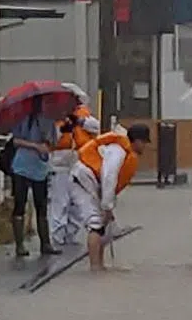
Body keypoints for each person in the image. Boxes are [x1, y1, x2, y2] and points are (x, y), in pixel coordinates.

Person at [70, 124, 151, 272]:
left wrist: (108, 206)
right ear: (137, 141)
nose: (145, 146)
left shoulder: (124, 150)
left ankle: (100, 264)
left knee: (106, 226)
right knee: (95, 223)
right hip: (82, 182)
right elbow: (109, 176)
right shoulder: (118, 150)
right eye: (144, 142)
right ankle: (95, 268)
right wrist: (107, 206)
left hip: (94, 183)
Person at [47, 90, 100, 250]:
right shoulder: (54, 116)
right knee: (60, 201)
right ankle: (57, 236)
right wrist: (63, 129)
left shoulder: (82, 115)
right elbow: (50, 137)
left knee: (77, 203)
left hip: (79, 161)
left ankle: (70, 234)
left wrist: (79, 122)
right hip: (59, 161)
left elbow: (96, 127)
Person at [9, 96, 59, 259]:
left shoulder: (49, 120)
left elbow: (53, 142)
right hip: (22, 166)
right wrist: (35, 145)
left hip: (40, 167)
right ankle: (19, 244)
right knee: (20, 204)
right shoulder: (22, 119)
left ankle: (45, 242)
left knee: (41, 205)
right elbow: (16, 141)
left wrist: (46, 144)